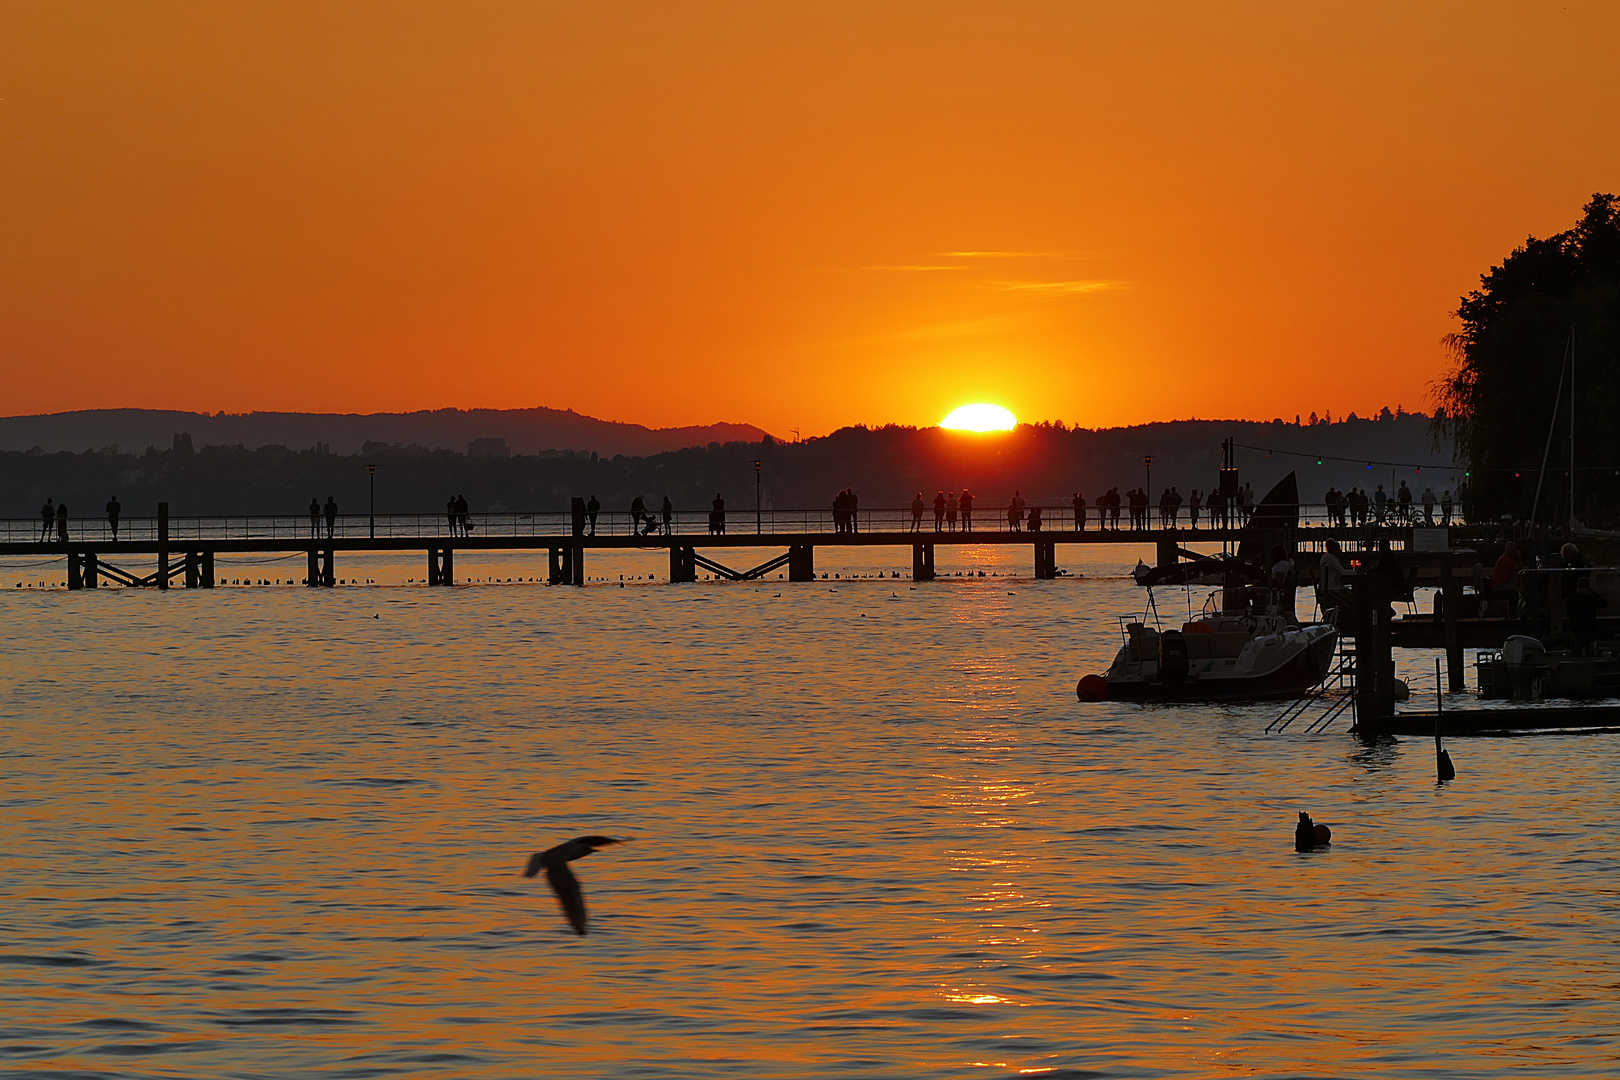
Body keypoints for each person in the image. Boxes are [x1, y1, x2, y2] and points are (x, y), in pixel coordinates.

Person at [1568, 576, 1608, 656]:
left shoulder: (1573, 598)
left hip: (1576, 629)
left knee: (1575, 654)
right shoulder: (1592, 597)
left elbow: (1568, 609)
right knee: (1592, 654)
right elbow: (1604, 603)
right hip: (1590, 629)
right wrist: (1594, 593)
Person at [1318, 538, 1350, 621]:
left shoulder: (1325, 558)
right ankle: (1347, 618)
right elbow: (1342, 571)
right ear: (1334, 550)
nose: (1340, 551)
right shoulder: (1333, 559)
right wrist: (1356, 573)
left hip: (1324, 588)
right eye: (1339, 549)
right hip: (1333, 589)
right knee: (1351, 597)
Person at [1489, 540, 1521, 617]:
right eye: (1512, 548)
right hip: (1498, 585)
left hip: (1497, 584)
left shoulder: (1504, 557)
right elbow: (1518, 569)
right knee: (1515, 591)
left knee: (1514, 588)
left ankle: (1511, 611)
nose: (1515, 550)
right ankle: (1512, 613)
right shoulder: (1507, 559)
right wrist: (1519, 557)